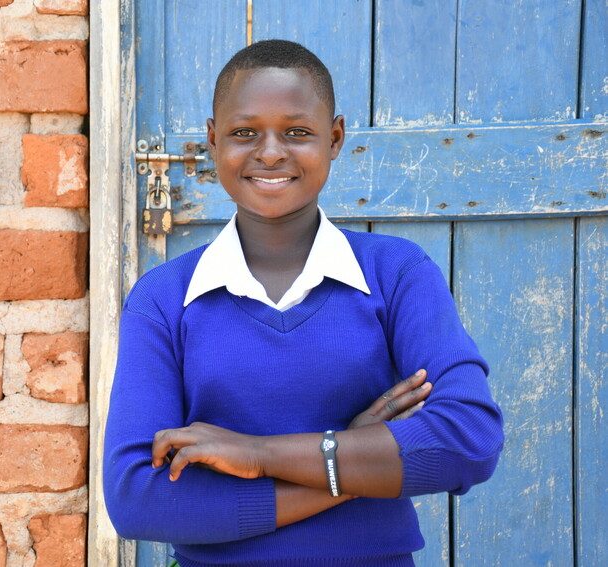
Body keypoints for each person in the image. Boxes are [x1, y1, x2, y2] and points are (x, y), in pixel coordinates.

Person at [103, 39, 504, 566]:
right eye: (245, 132)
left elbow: (468, 440)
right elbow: (138, 499)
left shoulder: (396, 274)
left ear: (335, 137)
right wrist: (349, 459)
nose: (270, 152)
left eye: (297, 132)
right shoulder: (164, 301)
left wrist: (259, 455)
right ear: (212, 139)